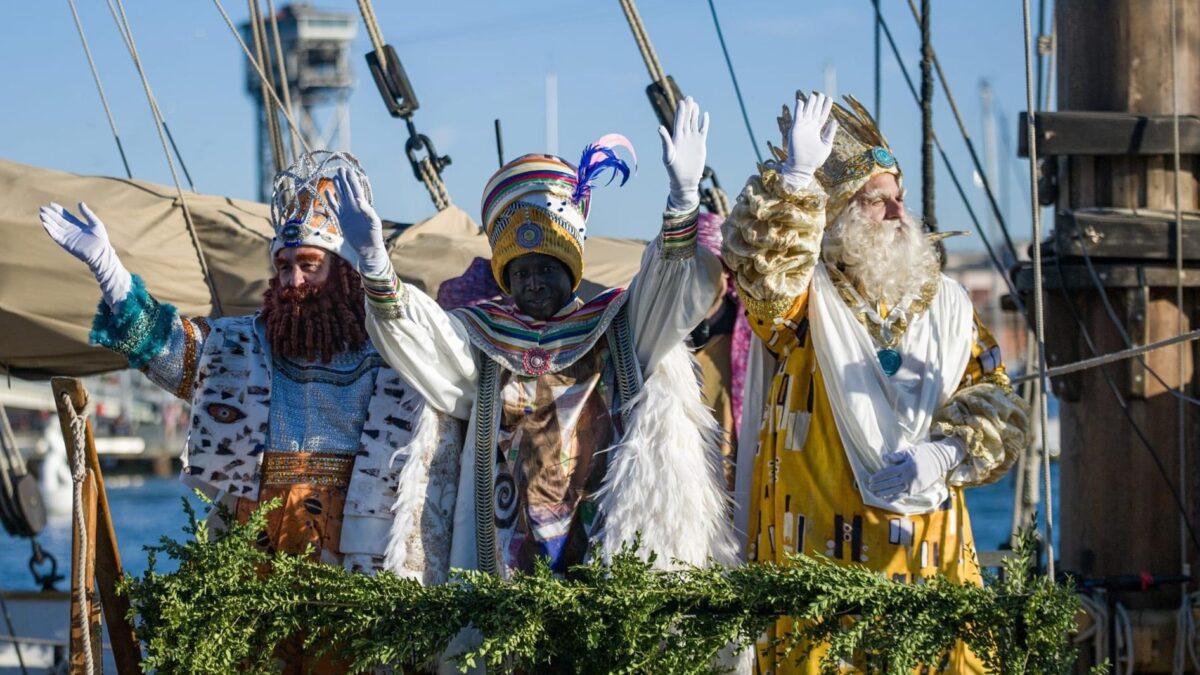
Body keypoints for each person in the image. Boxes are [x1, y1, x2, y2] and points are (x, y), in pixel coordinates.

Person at [38, 151, 464, 670]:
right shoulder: (247, 344)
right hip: (255, 535)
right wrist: (111, 273)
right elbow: (174, 353)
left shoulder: (392, 349)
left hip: (356, 540)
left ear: (344, 272)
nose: (293, 281)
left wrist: (380, 268)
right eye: (284, 266)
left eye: (309, 265)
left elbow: (448, 361)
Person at [335, 97, 737, 582]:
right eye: (521, 272)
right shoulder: (482, 338)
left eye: (547, 268)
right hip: (503, 544)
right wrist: (377, 265)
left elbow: (664, 289)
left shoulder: (613, 326)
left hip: (599, 530)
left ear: (571, 272)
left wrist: (682, 198)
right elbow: (425, 338)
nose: (534, 282)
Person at [723, 92, 1030, 673]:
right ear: (837, 217)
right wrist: (795, 179)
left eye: (900, 199)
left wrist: (949, 449)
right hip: (816, 569)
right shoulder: (803, 304)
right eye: (877, 201)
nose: (898, 214)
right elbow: (762, 270)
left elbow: (997, 397)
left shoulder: (949, 305)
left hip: (927, 566)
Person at [690, 212, 752, 493]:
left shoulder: (753, 344)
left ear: (726, 271)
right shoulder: (661, 341)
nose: (693, 280)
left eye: (704, 267)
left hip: (735, 495)